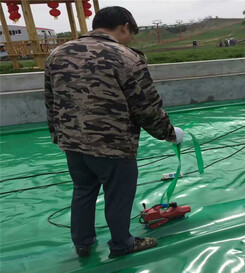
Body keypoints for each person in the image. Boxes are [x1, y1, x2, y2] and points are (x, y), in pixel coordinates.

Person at [45, 6, 184, 258]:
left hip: (73, 142)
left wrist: (59, 136)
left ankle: (83, 243)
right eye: (132, 33)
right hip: (113, 143)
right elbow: (146, 106)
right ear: (124, 27)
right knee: (118, 195)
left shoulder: (57, 54)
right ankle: (122, 243)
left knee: (83, 190)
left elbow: (51, 100)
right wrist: (169, 132)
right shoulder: (126, 57)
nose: (131, 38)